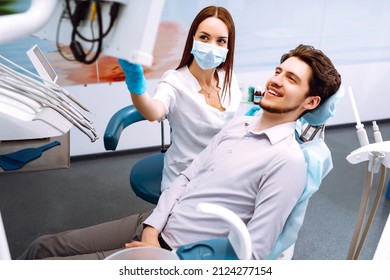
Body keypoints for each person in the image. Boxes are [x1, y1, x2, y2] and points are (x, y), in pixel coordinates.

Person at [18, 44, 341, 260]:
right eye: (278, 71)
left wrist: (164, 258)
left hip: (175, 252)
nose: (276, 80)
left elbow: (252, 251)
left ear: (310, 102)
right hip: (153, 223)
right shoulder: (239, 125)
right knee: (42, 246)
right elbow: (188, 176)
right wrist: (152, 227)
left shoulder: (287, 161)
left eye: (292, 79)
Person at [118, 6, 242, 192]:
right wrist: (135, 84)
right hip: (185, 178)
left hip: (220, 171)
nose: (211, 47)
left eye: (221, 41)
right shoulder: (174, 82)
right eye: (204, 37)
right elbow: (154, 111)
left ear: (228, 46)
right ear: (193, 39)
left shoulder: (228, 78)